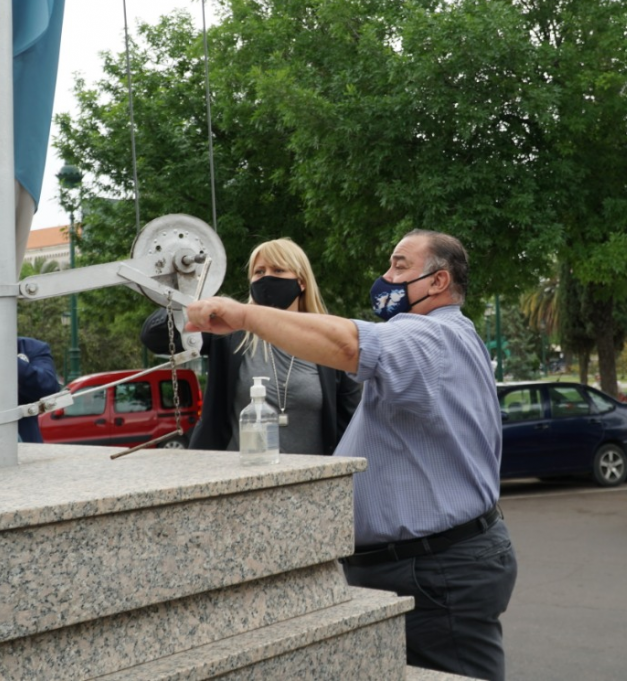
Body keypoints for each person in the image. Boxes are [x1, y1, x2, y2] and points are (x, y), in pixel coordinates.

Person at [184, 229, 518, 681]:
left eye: (399, 265)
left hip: (434, 568)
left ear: (438, 282)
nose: (385, 277)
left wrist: (245, 314)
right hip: (420, 563)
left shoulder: (429, 336)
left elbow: (348, 345)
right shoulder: (448, 335)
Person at [141, 238, 360, 455]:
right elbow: (154, 337)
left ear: (301, 282)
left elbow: (352, 423)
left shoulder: (327, 340)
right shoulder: (228, 332)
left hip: (311, 481)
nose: (267, 278)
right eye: (259, 272)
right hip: (239, 478)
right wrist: (192, 299)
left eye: (278, 270)